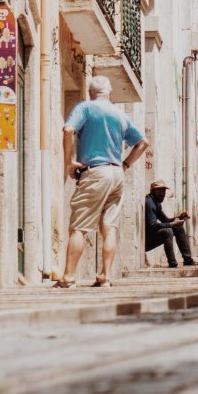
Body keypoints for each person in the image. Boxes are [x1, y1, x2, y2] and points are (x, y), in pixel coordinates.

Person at [59, 75, 148, 288]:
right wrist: (125, 165)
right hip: (117, 173)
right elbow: (143, 142)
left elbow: (69, 130)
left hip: (95, 172)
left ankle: (69, 277)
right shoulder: (120, 114)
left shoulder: (86, 108)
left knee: (78, 227)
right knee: (109, 227)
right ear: (109, 93)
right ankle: (106, 276)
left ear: (90, 92)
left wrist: (69, 162)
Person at [145, 179, 196, 267]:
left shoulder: (156, 203)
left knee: (178, 228)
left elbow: (165, 220)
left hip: (151, 236)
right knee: (168, 231)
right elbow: (152, 226)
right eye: (160, 191)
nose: (163, 194)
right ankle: (172, 263)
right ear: (153, 191)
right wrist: (171, 224)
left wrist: (180, 217)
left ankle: (188, 259)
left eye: (164, 191)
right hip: (146, 242)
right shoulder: (149, 203)